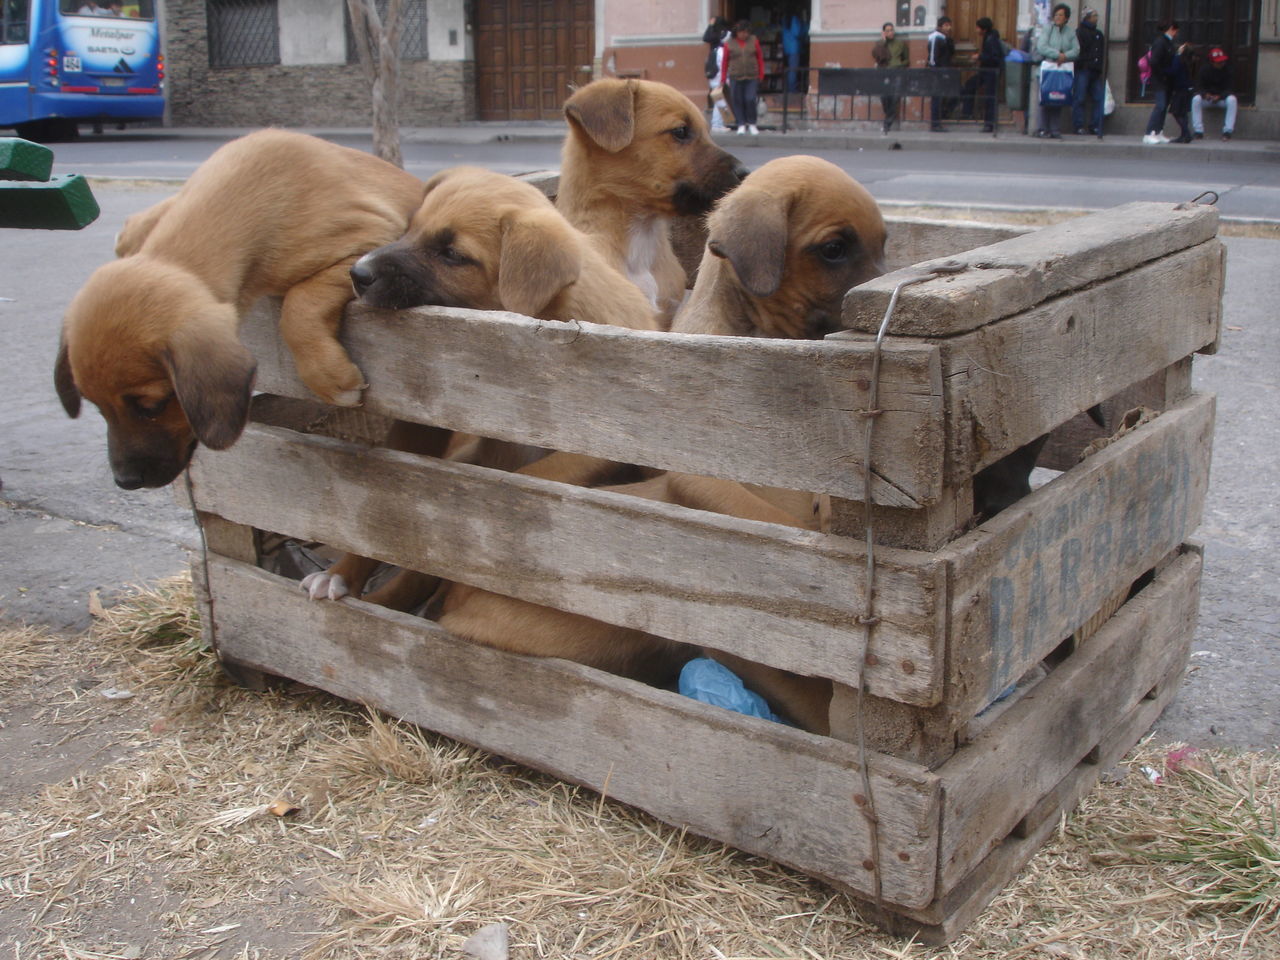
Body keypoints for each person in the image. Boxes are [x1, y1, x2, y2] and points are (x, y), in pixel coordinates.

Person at [1036, 4, 1080, 139]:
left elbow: (1076, 50)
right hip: (1048, 68)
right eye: (1056, 15)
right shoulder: (1048, 29)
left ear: (1066, 18)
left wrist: (1065, 56)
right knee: (1045, 98)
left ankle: (1055, 129)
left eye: (1061, 15)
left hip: (1062, 69)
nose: (1057, 17)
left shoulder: (1070, 32)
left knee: (1058, 98)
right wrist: (1057, 55)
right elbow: (1041, 46)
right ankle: (1043, 129)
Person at [720, 19, 765, 135]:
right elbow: (725, 61)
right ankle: (741, 123)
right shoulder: (729, 43)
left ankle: (752, 123)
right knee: (737, 100)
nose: (744, 34)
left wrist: (761, 74)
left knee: (750, 99)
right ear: (737, 32)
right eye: (742, 32)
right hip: (735, 76)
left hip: (752, 76)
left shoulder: (754, 40)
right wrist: (723, 77)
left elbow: (759, 58)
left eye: (746, 32)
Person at [1143, 19, 1179, 144]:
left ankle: (1158, 131)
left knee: (1164, 106)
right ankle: (1149, 133)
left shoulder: (1168, 42)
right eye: (1175, 30)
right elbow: (1154, 61)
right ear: (1171, 29)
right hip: (1159, 79)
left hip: (1166, 79)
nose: (1176, 33)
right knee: (1160, 105)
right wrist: (1163, 74)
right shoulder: (1160, 42)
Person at [1072, 7, 1106, 136]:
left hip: (1095, 70)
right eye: (1094, 15)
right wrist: (1082, 63)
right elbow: (1078, 51)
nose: (1096, 18)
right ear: (1087, 17)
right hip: (1083, 69)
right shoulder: (1080, 32)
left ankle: (1095, 125)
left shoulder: (1099, 34)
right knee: (1080, 98)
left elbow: (1102, 52)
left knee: (1099, 98)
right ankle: (1078, 125)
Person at [1192, 46, 1238, 140]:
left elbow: (1230, 88)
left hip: (1222, 100)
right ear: (1212, 62)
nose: (1222, 63)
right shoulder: (1204, 70)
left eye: (1223, 61)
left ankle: (1227, 131)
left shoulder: (1228, 70)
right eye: (1219, 62)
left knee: (1232, 100)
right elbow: (1199, 86)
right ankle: (1198, 131)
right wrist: (1205, 94)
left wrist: (1220, 96)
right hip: (1208, 99)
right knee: (1196, 99)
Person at [872, 22, 909, 134]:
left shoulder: (900, 44)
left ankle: (887, 123)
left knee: (895, 97)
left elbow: (906, 59)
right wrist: (883, 42)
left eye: (892, 30)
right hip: (884, 73)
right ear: (884, 32)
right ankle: (888, 117)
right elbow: (876, 56)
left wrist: (900, 65)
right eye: (887, 31)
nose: (890, 33)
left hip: (897, 72)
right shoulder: (879, 44)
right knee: (884, 97)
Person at [926, 16, 955, 132]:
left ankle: (942, 116)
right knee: (937, 98)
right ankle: (935, 124)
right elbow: (933, 58)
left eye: (949, 25)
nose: (949, 28)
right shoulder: (935, 37)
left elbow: (950, 53)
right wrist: (935, 70)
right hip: (937, 73)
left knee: (949, 95)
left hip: (945, 71)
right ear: (940, 26)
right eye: (946, 25)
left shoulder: (945, 38)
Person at [703, 15, 732, 131]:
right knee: (719, 98)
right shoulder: (725, 38)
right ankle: (717, 124)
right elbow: (706, 38)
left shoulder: (719, 38)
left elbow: (706, 37)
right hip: (718, 72)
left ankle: (719, 123)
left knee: (719, 98)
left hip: (715, 71)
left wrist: (711, 25)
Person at [1167, 41, 1196, 143]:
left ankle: (1186, 133)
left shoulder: (1179, 59)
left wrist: (1164, 71)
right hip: (1187, 89)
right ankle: (1183, 135)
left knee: (1176, 112)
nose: (1180, 47)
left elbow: (1173, 71)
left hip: (1180, 89)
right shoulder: (1188, 61)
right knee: (1183, 113)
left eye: (1182, 46)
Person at [780, 12, 808, 94]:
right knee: (793, 70)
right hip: (794, 48)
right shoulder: (794, 19)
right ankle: (792, 90)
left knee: (789, 70)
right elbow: (797, 33)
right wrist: (804, 28)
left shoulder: (784, 19)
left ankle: (788, 88)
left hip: (787, 47)